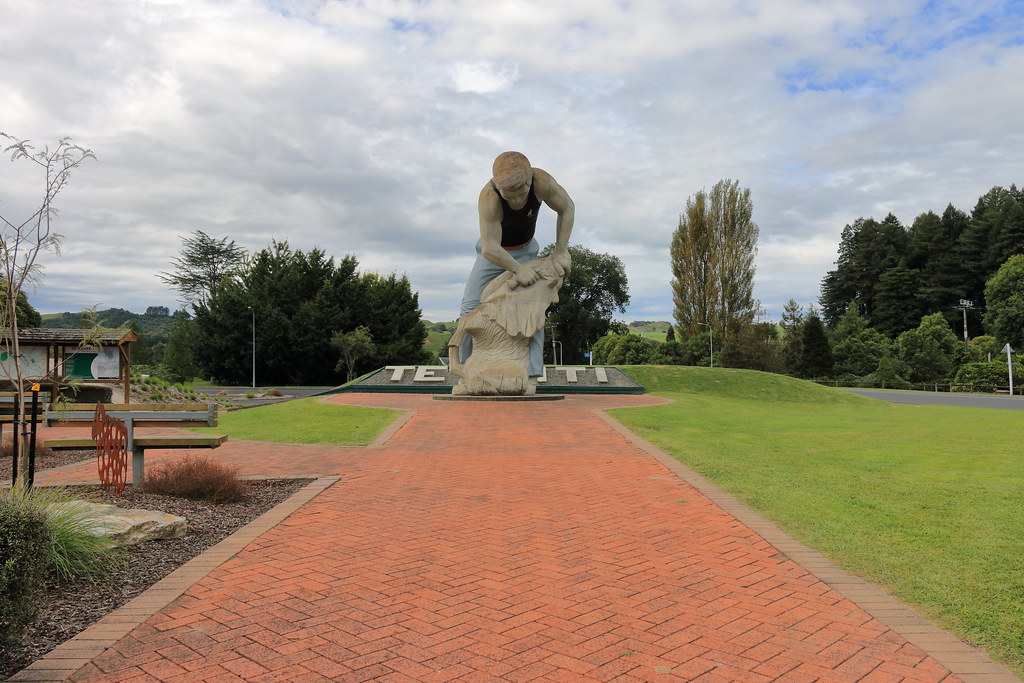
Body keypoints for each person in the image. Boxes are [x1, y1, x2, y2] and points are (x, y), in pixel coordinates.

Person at [458, 151, 575, 377]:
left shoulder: (542, 182)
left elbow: (567, 207)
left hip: (525, 250)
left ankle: (531, 373)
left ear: (530, 179)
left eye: (521, 193)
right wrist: (518, 270)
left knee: (533, 306)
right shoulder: (489, 198)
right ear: (498, 186)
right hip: (492, 254)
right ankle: (464, 368)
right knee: (470, 308)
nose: (516, 201)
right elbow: (490, 247)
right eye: (508, 194)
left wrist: (561, 251)